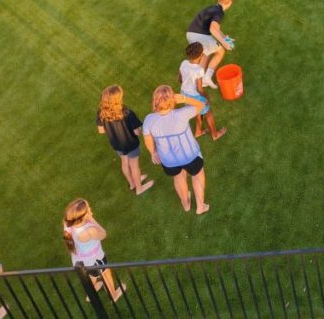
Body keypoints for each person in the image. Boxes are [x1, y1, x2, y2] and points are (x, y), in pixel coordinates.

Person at [142, 85, 209, 215]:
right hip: (190, 156)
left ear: (155, 101)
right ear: (172, 99)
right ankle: (200, 207)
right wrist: (184, 98)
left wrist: (153, 152)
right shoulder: (182, 114)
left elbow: (147, 139)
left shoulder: (149, 119)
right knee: (197, 176)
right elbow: (201, 105)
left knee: (178, 178)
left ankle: (186, 204)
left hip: (169, 161)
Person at [61, 199, 125, 302]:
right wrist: (92, 219)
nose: (90, 209)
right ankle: (114, 295)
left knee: (91, 275)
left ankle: (90, 294)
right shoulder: (89, 231)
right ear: (83, 217)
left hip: (81, 260)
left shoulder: (67, 224)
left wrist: (87, 218)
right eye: (88, 209)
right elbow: (103, 234)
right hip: (95, 260)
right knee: (106, 273)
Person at [96, 85, 153, 195]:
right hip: (131, 143)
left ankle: (132, 183)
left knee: (124, 162)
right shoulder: (127, 113)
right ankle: (139, 188)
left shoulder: (101, 113)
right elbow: (137, 132)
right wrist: (139, 129)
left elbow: (101, 130)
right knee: (134, 165)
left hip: (117, 144)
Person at [186, 0, 236, 89]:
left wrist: (225, 38)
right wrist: (224, 44)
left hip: (191, 33)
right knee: (220, 51)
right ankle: (205, 78)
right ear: (230, 3)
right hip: (199, 35)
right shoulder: (220, 12)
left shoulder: (213, 8)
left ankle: (202, 80)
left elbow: (217, 29)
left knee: (206, 54)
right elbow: (213, 29)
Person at [180, 43, 227, 140]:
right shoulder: (198, 70)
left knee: (198, 111)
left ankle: (198, 132)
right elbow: (199, 89)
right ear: (200, 55)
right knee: (208, 113)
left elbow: (180, 78)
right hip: (195, 96)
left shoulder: (184, 63)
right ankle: (215, 135)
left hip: (184, 94)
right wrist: (206, 98)